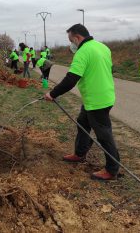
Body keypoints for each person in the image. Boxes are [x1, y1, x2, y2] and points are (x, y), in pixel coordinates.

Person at [44, 24, 120, 181]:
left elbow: (71, 79)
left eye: (71, 40)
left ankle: (112, 170)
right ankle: (80, 153)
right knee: (82, 123)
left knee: (104, 135)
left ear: (77, 38)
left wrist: (53, 93)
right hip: (103, 96)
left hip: (96, 100)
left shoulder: (83, 52)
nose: (71, 44)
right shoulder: (102, 47)